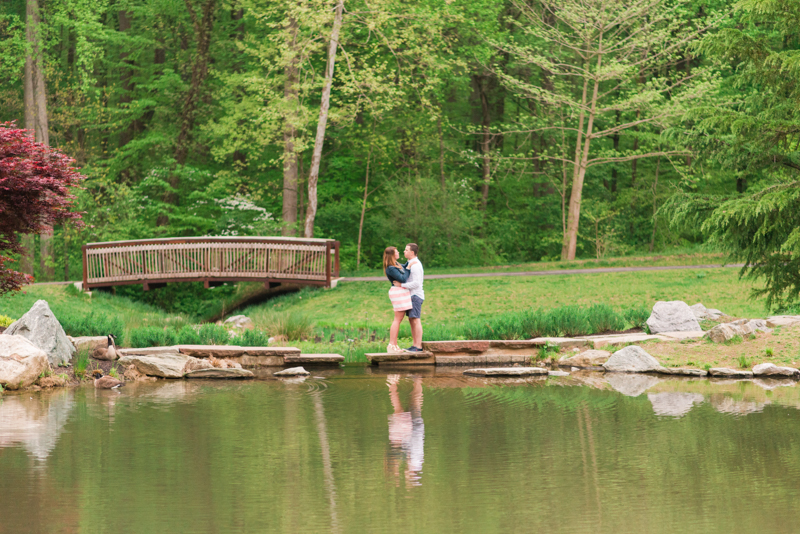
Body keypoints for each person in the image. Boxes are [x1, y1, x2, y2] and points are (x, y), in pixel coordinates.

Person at [392, 243, 424, 352]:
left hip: (415, 296)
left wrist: (402, 285)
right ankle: (415, 345)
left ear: (412, 252)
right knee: (412, 320)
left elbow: (416, 283)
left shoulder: (415, 265)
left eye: (406, 250)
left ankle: (418, 346)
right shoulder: (409, 263)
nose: (404, 251)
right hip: (411, 296)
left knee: (415, 319)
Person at [383, 246, 412, 353]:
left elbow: (404, 267)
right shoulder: (390, 268)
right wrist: (409, 268)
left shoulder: (397, 264)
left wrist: (411, 262)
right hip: (397, 292)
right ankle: (391, 345)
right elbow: (403, 278)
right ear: (392, 254)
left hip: (401, 292)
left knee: (399, 319)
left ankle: (394, 345)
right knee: (397, 319)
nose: (399, 252)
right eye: (397, 252)